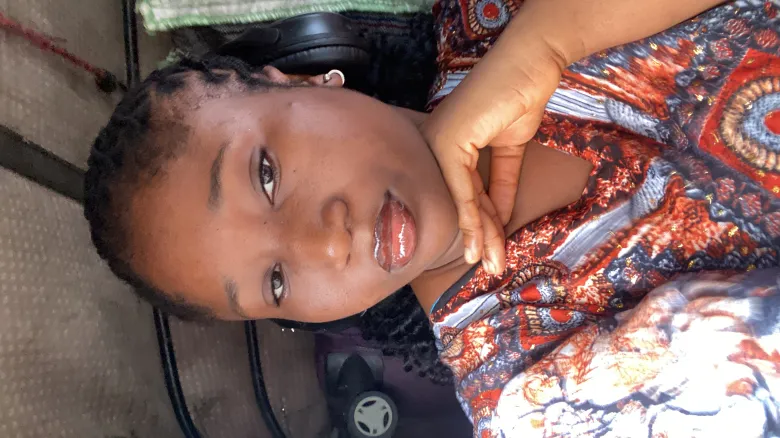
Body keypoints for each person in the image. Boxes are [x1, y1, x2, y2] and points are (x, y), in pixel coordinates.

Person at [83, 0, 780, 435]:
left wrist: (549, 41)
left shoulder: (485, 18)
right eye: (275, 281)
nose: (324, 244)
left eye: (265, 175)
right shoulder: (532, 390)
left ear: (297, 76)